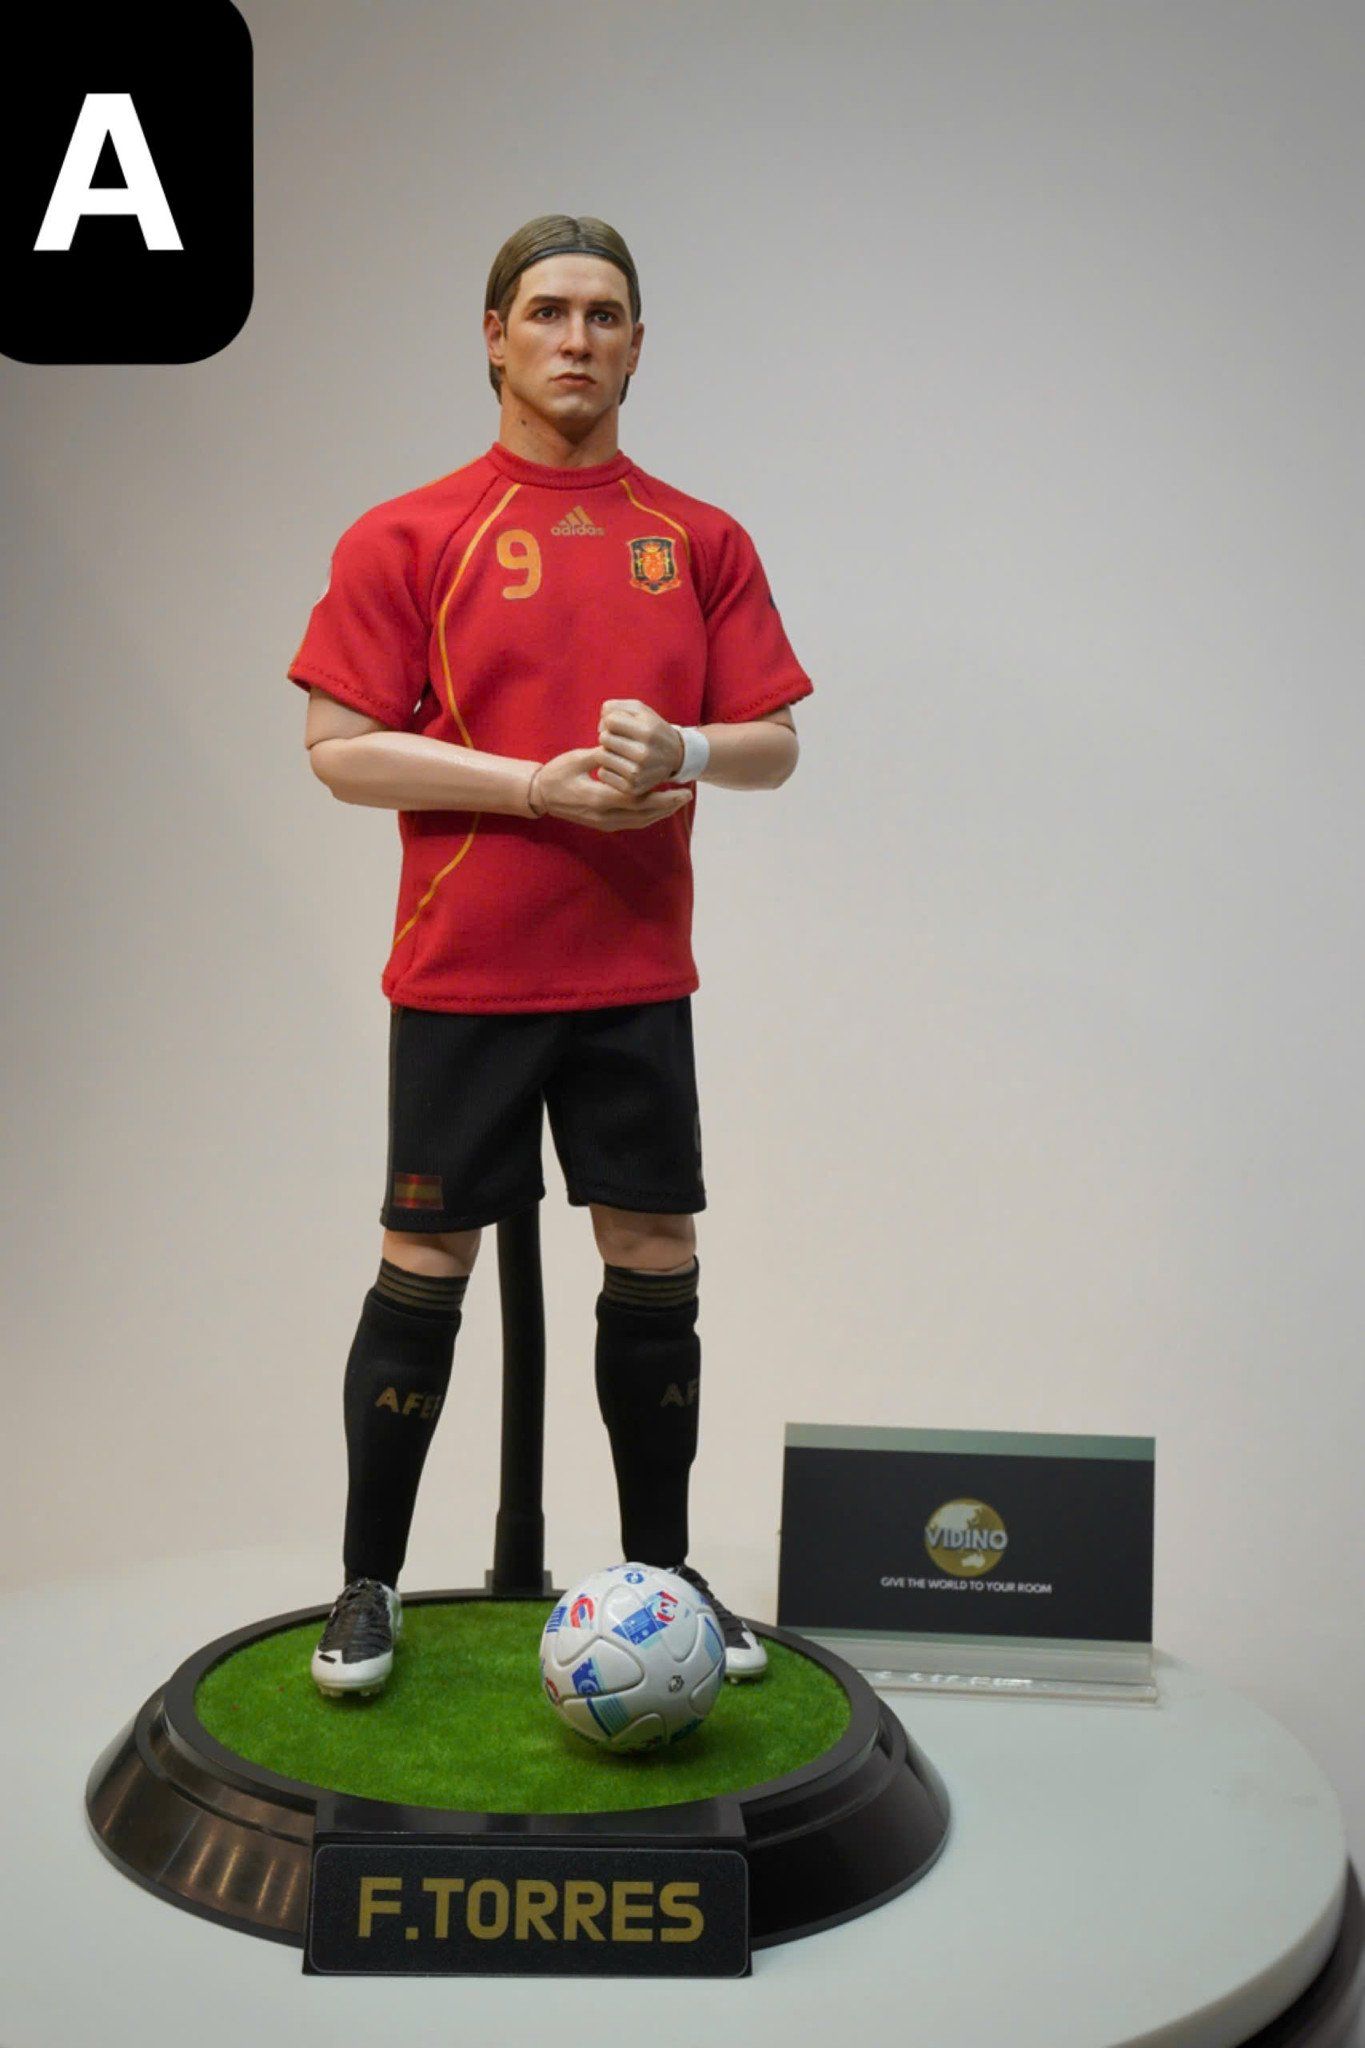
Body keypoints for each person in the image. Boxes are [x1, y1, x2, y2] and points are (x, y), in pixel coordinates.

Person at [287, 213, 812, 1698]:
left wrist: (684, 748)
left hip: (635, 970)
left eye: (603, 314)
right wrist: (529, 785)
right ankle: (368, 1582)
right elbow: (337, 748)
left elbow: (773, 743)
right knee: (424, 1258)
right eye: (546, 311)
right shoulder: (410, 533)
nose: (574, 338)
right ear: (494, 336)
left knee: (654, 1255)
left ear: (638, 346)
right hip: (465, 968)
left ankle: (664, 1577)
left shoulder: (698, 538)